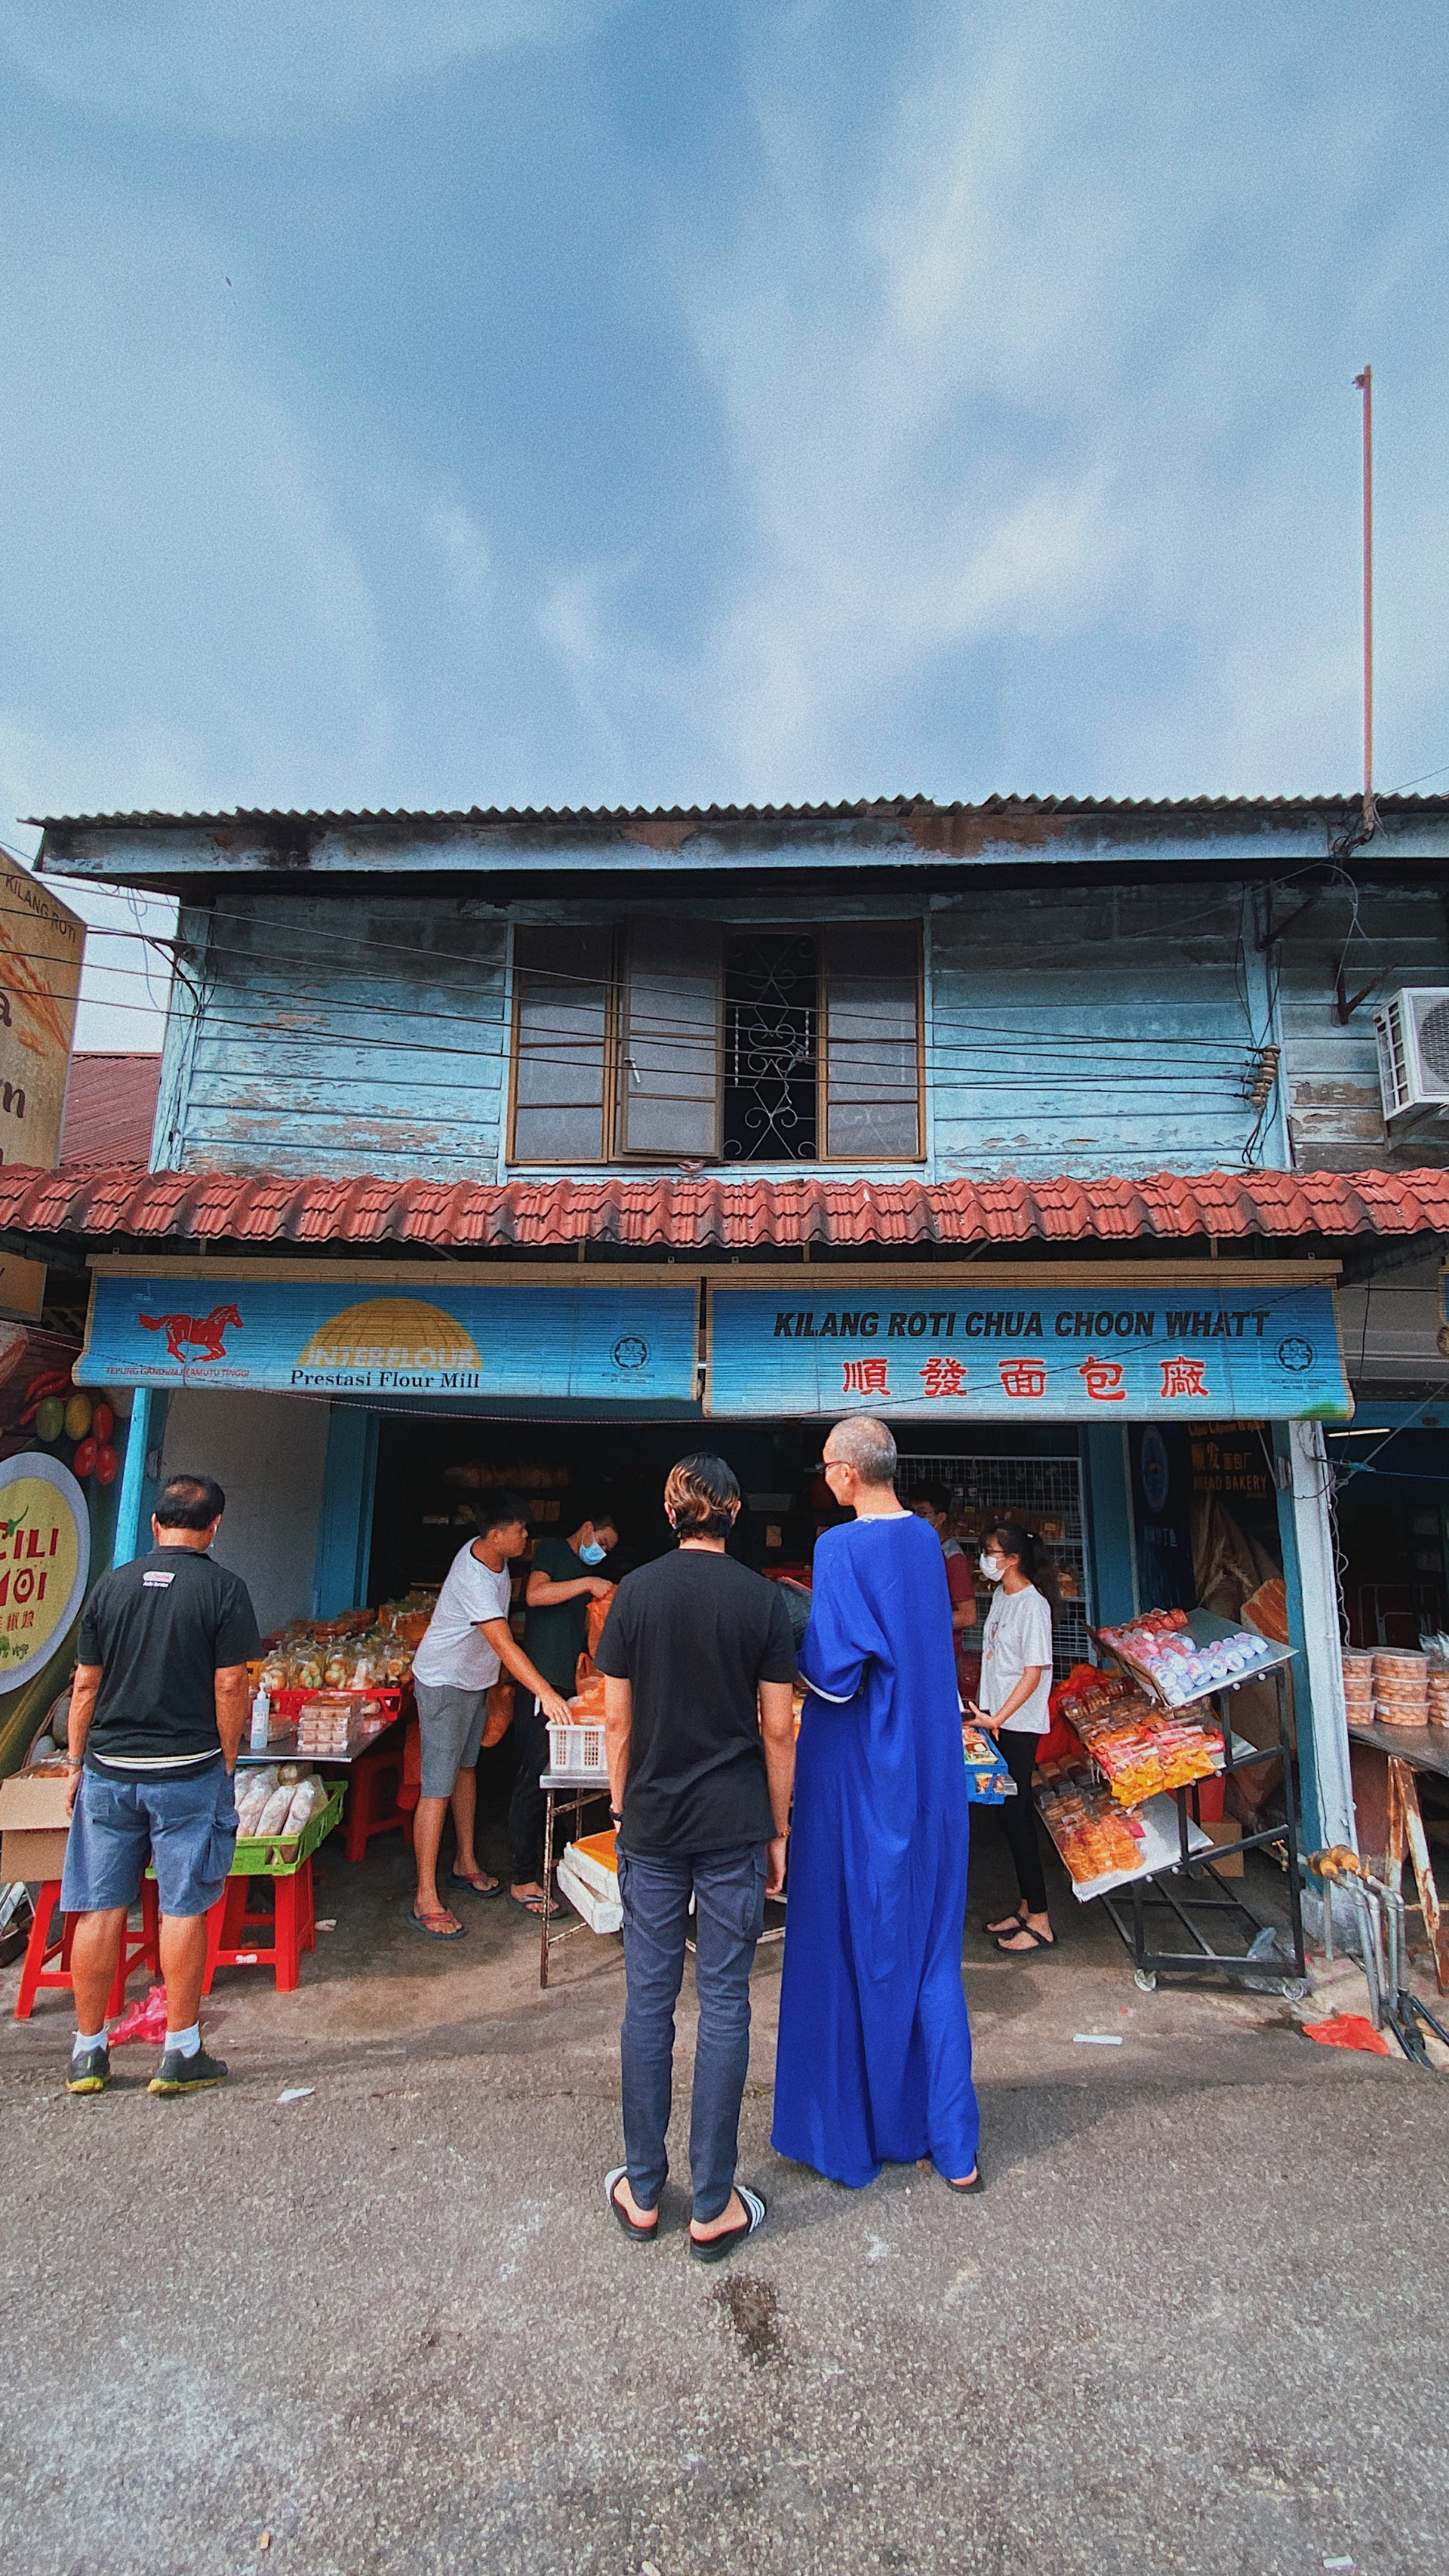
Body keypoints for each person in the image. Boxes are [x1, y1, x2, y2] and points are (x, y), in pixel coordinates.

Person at [595, 1454, 797, 2261]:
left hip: (651, 1826)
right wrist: (777, 1828)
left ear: (670, 1510)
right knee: (724, 2003)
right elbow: (778, 1727)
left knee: (648, 2003)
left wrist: (621, 1804)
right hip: (733, 1824)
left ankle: (644, 2191)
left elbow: (617, 1722)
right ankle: (713, 2203)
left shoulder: (634, 1593)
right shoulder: (762, 1599)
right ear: (735, 1513)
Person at [772, 1416, 981, 2193]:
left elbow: (835, 1671)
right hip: (929, 1769)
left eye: (827, 1464)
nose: (824, 1475)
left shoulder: (839, 1547)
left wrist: (785, 1635)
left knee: (838, 1940)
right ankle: (952, 2145)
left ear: (848, 1473)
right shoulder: (927, 1542)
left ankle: (844, 2131)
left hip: (857, 1771)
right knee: (930, 1951)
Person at [59, 1471, 261, 2097]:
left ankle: (88, 2052)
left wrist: (75, 1762)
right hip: (187, 1772)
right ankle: (180, 2050)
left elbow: (85, 1684)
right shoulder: (224, 1589)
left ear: (155, 1523)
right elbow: (231, 1684)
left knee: (100, 1907)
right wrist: (227, 1763)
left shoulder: (111, 1586)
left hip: (109, 1771)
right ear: (215, 1526)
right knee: (183, 1906)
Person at [409, 1491, 573, 1940]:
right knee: (436, 1788)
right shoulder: (474, 1577)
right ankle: (425, 1896)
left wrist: (496, 1688)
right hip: (444, 1683)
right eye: (520, 1530)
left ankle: (465, 1862)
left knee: (466, 1771)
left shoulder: (495, 1560)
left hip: (471, 1683)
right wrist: (545, 1693)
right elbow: (504, 1643)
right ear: (496, 1535)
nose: (526, 1536)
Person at [509, 1500, 620, 1920]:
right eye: (601, 1543)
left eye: (607, 1550)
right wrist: (588, 1581)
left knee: (554, 1780)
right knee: (533, 1777)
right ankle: (523, 1877)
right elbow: (535, 1594)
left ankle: (549, 1860)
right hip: (540, 1685)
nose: (601, 1553)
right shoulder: (555, 1551)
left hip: (566, 1688)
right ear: (587, 1526)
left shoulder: (581, 1570)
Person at [971, 1522, 1058, 1955]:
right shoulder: (1001, 1597)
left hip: (1017, 1725)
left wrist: (999, 1718)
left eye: (991, 1552)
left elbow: (1033, 1673)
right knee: (1007, 1814)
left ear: (1013, 1559)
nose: (985, 1559)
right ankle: (1026, 1907)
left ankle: (1040, 1919)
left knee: (1017, 1813)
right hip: (996, 1719)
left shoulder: (1033, 1605)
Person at [909, 1482, 980, 1707]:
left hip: (941, 1655)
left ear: (940, 1518)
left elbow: (968, 1616)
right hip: (917, 1650)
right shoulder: (917, 1550)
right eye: (911, 1512)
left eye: (923, 1513)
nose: (915, 1518)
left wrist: (924, 1622)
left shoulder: (952, 1558)